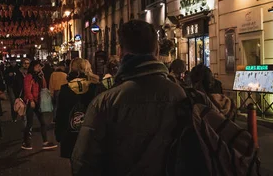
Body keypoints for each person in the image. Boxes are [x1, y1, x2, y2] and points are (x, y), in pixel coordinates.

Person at [71, 20, 186, 176]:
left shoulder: (105, 102)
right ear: (157, 51)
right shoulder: (180, 94)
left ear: (119, 52)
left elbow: (83, 164)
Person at [55, 58, 101, 159]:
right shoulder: (96, 87)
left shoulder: (65, 89)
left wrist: (59, 134)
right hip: (92, 134)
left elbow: (61, 114)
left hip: (71, 134)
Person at [21, 60, 57, 150]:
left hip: (37, 101)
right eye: (37, 66)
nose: (39, 68)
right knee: (29, 123)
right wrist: (31, 100)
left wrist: (42, 76)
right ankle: (26, 142)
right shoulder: (29, 76)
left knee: (42, 122)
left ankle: (45, 142)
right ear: (33, 67)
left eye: (39, 67)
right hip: (30, 101)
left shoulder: (38, 76)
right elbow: (27, 89)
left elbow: (44, 86)